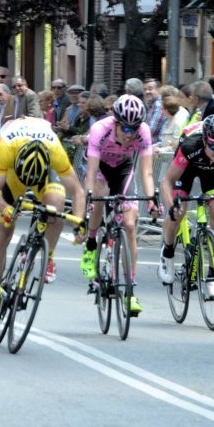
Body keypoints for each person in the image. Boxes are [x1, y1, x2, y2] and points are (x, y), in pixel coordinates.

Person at [0, 117, 86, 330]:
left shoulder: (54, 149)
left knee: (56, 203)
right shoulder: (6, 148)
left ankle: (49, 255)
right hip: (11, 177)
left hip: (43, 175)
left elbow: (78, 191)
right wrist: (6, 209)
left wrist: (79, 223)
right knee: (2, 233)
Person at [79, 95, 162, 314]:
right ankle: (90, 244)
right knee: (99, 196)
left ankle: (130, 290)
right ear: (115, 123)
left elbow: (146, 172)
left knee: (130, 225)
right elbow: (91, 171)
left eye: (133, 129)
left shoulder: (143, 132)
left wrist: (152, 198)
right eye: (125, 129)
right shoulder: (100, 129)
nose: (129, 134)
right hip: (100, 168)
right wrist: (88, 195)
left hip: (123, 168)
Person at [157, 115, 214, 297]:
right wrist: (171, 205)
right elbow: (167, 181)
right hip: (187, 169)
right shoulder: (190, 146)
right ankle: (167, 253)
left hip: (212, 173)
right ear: (205, 140)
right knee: (178, 211)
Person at [143, 79, 167, 144]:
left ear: (158, 90)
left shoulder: (159, 105)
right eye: (144, 89)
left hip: (157, 148)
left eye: (150, 89)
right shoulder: (151, 105)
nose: (147, 92)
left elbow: (150, 131)